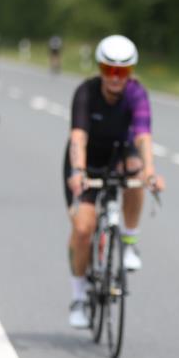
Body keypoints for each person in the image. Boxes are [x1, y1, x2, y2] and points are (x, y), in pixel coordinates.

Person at [64, 35, 165, 329]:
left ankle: (129, 240)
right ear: (100, 68)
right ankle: (79, 296)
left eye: (123, 71)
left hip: (121, 154)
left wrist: (150, 171)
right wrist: (78, 171)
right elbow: (78, 137)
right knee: (83, 229)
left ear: (130, 72)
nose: (115, 78)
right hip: (88, 159)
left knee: (135, 173)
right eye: (109, 69)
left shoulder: (137, 94)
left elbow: (143, 135)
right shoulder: (86, 92)